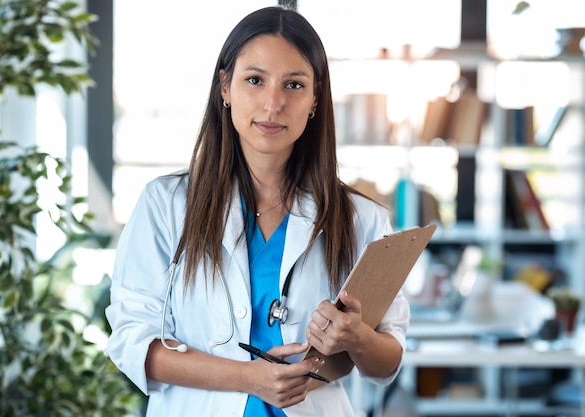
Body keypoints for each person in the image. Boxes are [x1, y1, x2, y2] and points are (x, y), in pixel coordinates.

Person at [105, 5, 409, 417]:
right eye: (254, 80)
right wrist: (249, 377)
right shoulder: (165, 206)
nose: (273, 103)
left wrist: (357, 336)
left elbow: (387, 360)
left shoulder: (360, 218)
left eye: (294, 85)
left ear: (316, 98)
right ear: (225, 88)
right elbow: (132, 343)